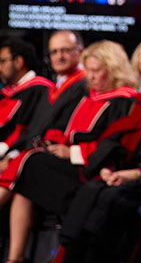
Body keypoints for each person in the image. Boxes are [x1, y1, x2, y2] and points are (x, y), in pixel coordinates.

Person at [0, 40, 138, 263]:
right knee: (27, 175)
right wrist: (54, 143)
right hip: (70, 164)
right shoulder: (90, 97)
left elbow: (114, 146)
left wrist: (71, 152)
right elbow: (67, 131)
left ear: (113, 69)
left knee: (28, 161)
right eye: (90, 71)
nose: (91, 77)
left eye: (97, 71)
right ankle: (15, 261)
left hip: (91, 171)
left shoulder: (124, 101)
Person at [52, 40, 141, 263]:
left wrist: (135, 173)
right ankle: (69, 261)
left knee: (110, 200)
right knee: (91, 189)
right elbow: (115, 141)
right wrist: (108, 166)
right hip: (124, 172)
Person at [0, 31, 88, 165]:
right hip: (31, 154)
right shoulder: (54, 89)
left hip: (57, 158)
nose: (59, 56)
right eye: (54, 52)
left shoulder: (85, 86)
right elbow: (34, 130)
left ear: (80, 52)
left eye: (65, 50)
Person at [0, 38, 53, 153]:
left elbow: (27, 131)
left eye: (3, 61)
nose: (0, 68)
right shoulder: (8, 93)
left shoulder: (40, 90)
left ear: (18, 62)